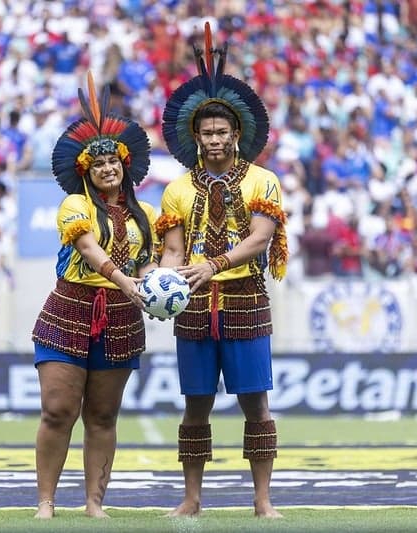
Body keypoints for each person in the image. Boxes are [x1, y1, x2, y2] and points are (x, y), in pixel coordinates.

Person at [155, 23, 287, 518]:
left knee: (256, 404)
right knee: (196, 405)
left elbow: (260, 239)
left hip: (245, 298)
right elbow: (173, 249)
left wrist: (214, 264)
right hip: (193, 302)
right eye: (206, 133)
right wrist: (160, 283)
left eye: (221, 132)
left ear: (236, 134)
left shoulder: (263, 180)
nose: (214, 139)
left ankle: (262, 499)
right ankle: (191, 499)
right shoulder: (176, 188)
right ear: (196, 136)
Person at [31, 73, 156, 519]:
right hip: (69, 310)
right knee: (57, 410)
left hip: (121, 318)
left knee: (103, 415)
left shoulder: (147, 215)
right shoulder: (74, 205)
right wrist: (126, 281)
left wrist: (156, 288)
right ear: (86, 171)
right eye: (98, 163)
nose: (107, 169)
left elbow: (147, 264)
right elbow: (88, 248)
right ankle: (46, 501)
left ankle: (93, 502)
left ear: (125, 166)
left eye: (113, 161)